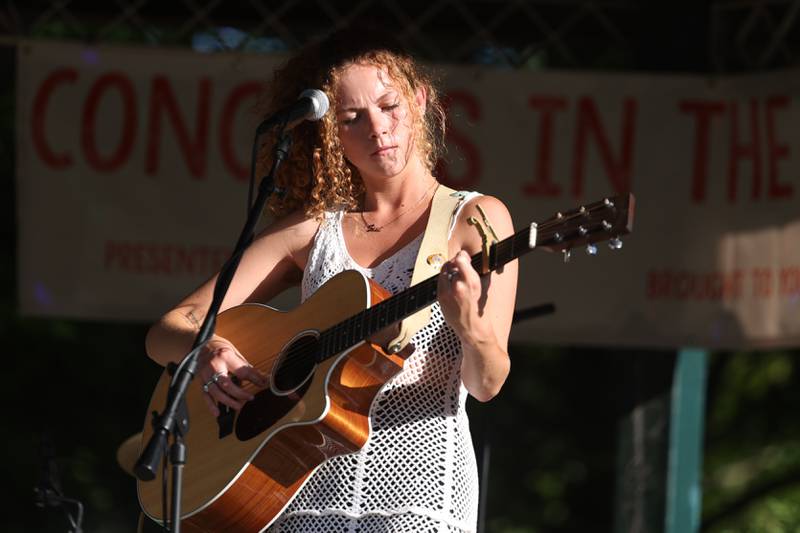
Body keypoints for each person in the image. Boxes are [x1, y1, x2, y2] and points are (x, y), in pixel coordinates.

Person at [144, 30, 518, 533]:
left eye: (389, 106)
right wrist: (208, 350)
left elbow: (487, 383)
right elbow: (169, 328)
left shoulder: (474, 219)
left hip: (421, 497)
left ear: (420, 100)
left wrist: (469, 326)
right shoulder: (312, 229)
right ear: (328, 133)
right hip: (295, 494)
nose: (378, 128)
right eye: (352, 118)